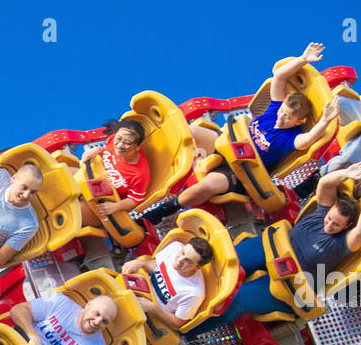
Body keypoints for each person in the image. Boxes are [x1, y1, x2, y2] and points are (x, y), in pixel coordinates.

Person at [143, 43, 339, 220]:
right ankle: (153, 160)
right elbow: (279, 76)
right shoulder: (274, 112)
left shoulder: (289, 138)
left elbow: (308, 140)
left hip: (240, 169)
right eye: (282, 112)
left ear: (299, 121)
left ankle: (162, 211)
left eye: (288, 117)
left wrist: (324, 120)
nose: (281, 117)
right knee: (189, 132)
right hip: (226, 144)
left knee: (206, 187)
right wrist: (303, 60)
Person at [193, 162, 361, 333]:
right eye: (330, 219)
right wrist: (347, 174)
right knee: (222, 259)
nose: (329, 225)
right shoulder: (322, 212)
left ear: (346, 227)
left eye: (336, 225)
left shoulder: (343, 243)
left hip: (292, 282)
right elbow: (325, 183)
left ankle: (188, 332)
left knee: (238, 300)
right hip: (275, 248)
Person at [123, 237, 213, 334]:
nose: (180, 260)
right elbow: (156, 266)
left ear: (197, 267)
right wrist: (140, 263)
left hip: (150, 317)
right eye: (182, 253)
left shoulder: (194, 293)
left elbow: (177, 323)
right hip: (138, 288)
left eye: (188, 261)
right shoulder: (175, 247)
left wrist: (153, 307)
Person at [78, 119, 151, 227]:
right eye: (119, 139)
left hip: (100, 204)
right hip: (88, 179)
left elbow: (134, 200)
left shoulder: (140, 174)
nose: (120, 145)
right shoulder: (113, 140)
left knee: (74, 210)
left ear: (137, 147)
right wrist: (97, 150)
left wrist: (115, 207)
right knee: (60, 177)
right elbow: (106, 150)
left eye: (127, 143)